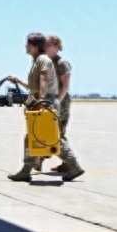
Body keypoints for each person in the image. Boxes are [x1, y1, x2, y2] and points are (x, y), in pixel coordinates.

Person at [6, 33, 84, 181]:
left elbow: (44, 81)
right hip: (41, 101)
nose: (25, 47)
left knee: (51, 139)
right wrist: (28, 100)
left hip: (46, 102)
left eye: (28, 44)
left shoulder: (43, 60)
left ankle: (74, 166)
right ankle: (26, 170)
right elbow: (34, 87)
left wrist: (41, 101)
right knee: (32, 138)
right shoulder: (37, 61)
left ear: (35, 46)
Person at [46, 34, 78, 174]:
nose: (45, 47)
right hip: (49, 101)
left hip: (61, 102)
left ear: (57, 46)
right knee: (49, 132)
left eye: (48, 44)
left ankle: (69, 163)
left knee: (58, 133)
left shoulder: (62, 63)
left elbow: (65, 86)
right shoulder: (45, 62)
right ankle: (66, 162)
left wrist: (57, 102)